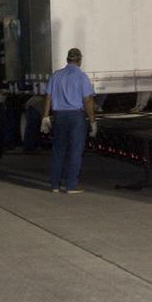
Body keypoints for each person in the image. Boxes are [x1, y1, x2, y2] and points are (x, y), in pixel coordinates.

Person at [41, 47, 98, 193]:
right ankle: (71, 185)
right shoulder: (81, 77)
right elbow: (87, 100)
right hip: (75, 117)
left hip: (59, 116)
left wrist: (45, 116)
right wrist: (92, 120)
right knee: (75, 151)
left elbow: (49, 97)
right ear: (79, 60)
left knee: (58, 150)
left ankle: (55, 185)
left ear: (67, 60)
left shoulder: (56, 75)